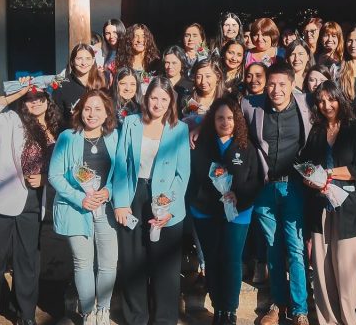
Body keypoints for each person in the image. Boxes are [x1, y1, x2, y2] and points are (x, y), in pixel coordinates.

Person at [0, 79, 59, 325]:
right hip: (2, 199)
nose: (34, 102)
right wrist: (16, 93)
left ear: (47, 100)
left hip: (33, 202)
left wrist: (45, 179)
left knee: (27, 261)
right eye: (29, 98)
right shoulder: (10, 121)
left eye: (39, 97)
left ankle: (26, 315)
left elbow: (60, 167)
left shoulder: (56, 129)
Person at [113, 77, 191, 325]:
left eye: (164, 99)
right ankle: (136, 317)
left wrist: (170, 203)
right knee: (133, 261)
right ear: (146, 99)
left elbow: (183, 173)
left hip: (165, 200)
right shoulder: (131, 122)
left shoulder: (179, 128)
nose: (158, 103)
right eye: (154, 98)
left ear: (171, 102)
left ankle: (164, 319)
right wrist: (121, 203)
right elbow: (121, 164)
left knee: (165, 267)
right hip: (134, 194)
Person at [241, 62, 313, 325]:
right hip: (265, 187)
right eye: (271, 83)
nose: (276, 89)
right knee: (272, 247)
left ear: (293, 84)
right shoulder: (251, 105)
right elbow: (232, 129)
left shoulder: (307, 105)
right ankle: (278, 303)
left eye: (282, 84)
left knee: (295, 248)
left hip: (294, 186)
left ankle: (300, 309)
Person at [299, 80, 356, 325]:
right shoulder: (317, 131)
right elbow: (307, 164)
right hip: (320, 206)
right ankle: (327, 321)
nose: (326, 105)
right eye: (321, 101)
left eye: (331, 99)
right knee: (322, 267)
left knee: (346, 267)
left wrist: (326, 174)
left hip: (348, 205)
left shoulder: (355, 126)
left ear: (340, 99)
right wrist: (310, 177)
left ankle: (349, 320)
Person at [188, 97, 263, 325]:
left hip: (238, 214)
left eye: (230, 118)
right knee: (212, 260)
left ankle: (229, 311)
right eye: (220, 117)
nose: (225, 122)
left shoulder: (246, 146)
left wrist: (239, 197)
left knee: (231, 260)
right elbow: (194, 177)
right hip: (205, 211)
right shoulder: (200, 144)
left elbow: (255, 181)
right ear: (212, 119)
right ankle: (217, 306)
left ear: (237, 120)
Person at [48, 90, 119, 325]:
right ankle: (89, 313)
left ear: (107, 112)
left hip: (107, 208)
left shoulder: (115, 137)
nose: (92, 114)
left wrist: (108, 191)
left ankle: (104, 310)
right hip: (77, 209)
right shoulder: (68, 137)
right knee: (83, 263)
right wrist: (80, 198)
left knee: (108, 263)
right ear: (80, 110)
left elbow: (121, 172)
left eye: (98, 109)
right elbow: (54, 175)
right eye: (88, 108)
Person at [53, 43, 106, 128]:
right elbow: (57, 119)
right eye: (79, 59)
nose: (83, 63)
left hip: (101, 134)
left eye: (88, 59)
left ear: (93, 61)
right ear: (72, 61)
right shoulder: (62, 87)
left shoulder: (103, 81)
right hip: (74, 135)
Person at [181, 58, 224, 130]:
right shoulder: (191, 100)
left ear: (218, 77)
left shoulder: (225, 99)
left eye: (208, 76)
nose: (203, 81)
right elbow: (185, 124)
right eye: (198, 77)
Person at [161, 45, 194, 115]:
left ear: (182, 63)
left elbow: (194, 109)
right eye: (167, 62)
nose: (170, 66)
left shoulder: (190, 85)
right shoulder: (159, 83)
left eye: (174, 63)